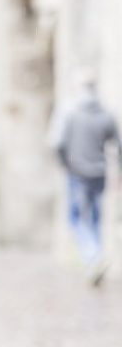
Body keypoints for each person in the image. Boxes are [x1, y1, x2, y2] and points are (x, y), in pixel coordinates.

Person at [53, 72, 121, 284]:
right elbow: (118, 144)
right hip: (99, 172)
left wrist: (65, 163)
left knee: (76, 218)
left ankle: (93, 257)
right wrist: (118, 170)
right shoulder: (106, 112)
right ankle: (96, 258)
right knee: (95, 217)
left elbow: (56, 142)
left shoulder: (70, 111)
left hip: (78, 173)